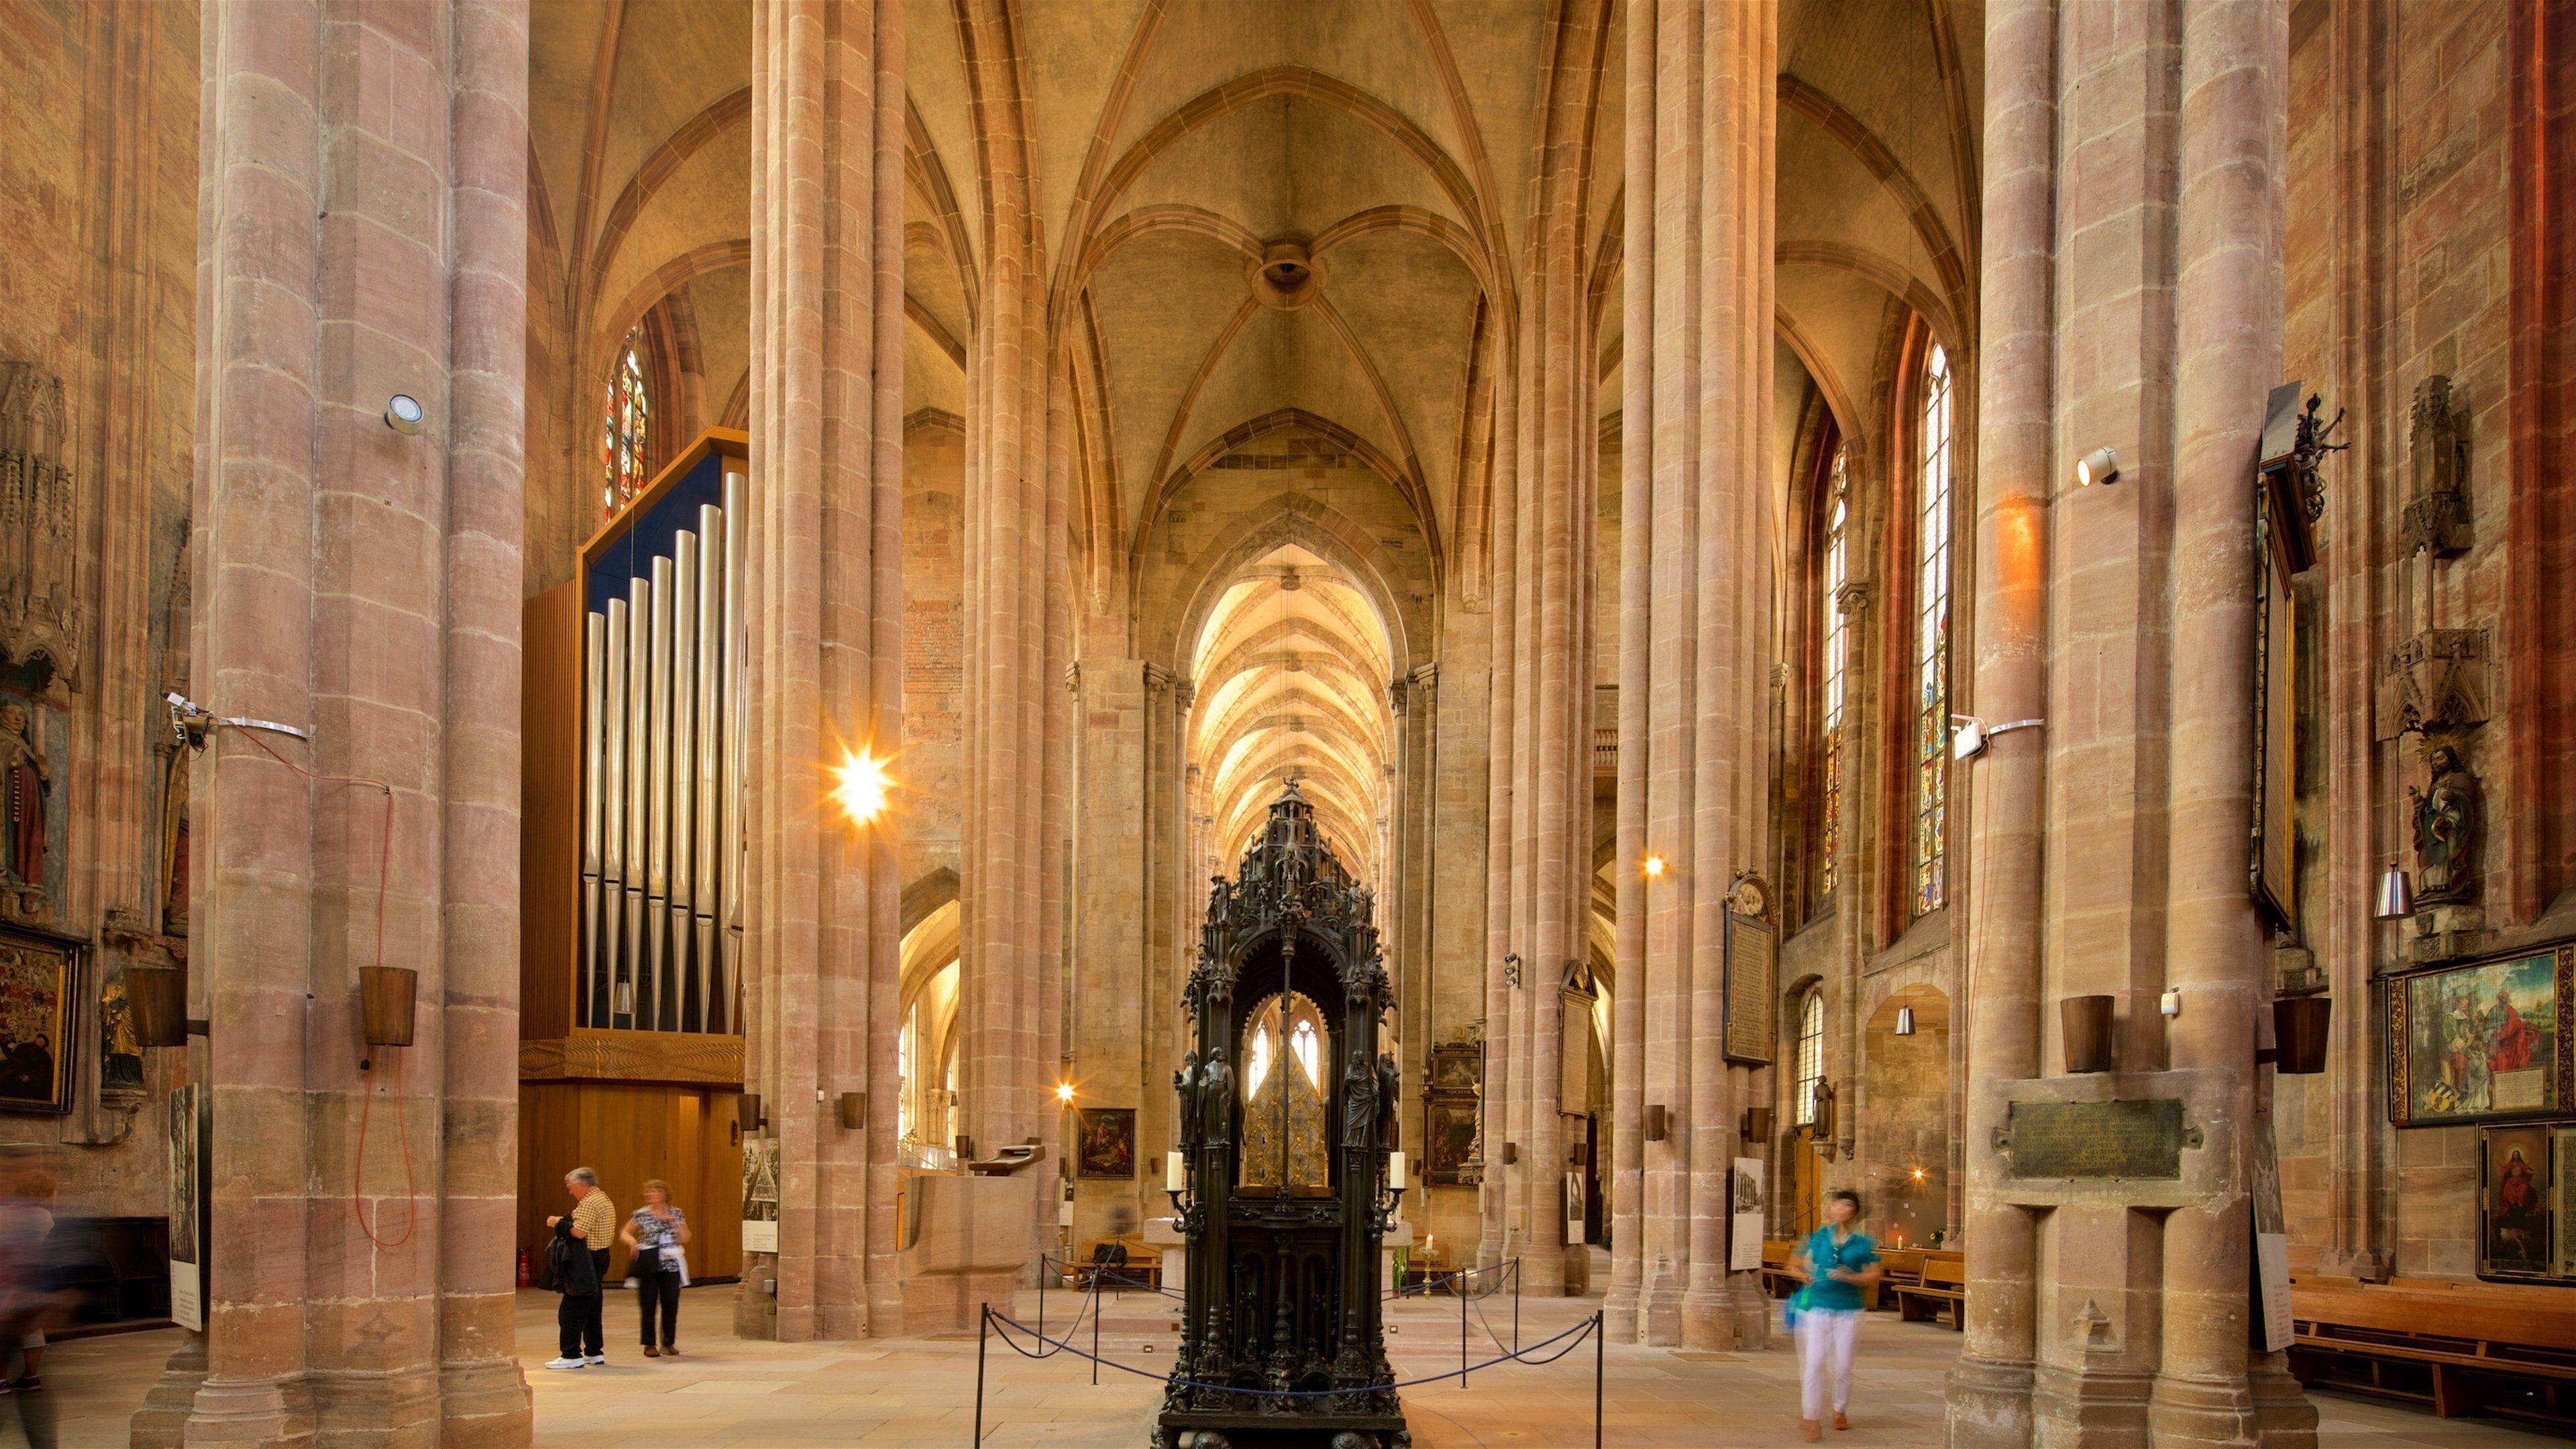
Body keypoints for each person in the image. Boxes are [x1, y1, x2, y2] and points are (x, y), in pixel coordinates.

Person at [1788, 1189, 1881, 1442]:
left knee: (1843, 1364)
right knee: (1815, 1362)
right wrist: (1804, 1276)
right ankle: (1812, 1418)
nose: (1841, 1209)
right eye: (1837, 1204)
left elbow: (1874, 1274)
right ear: (1830, 1209)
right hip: (1818, 1306)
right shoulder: (1817, 1238)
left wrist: (1851, 1277)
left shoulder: (1863, 1243)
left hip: (1849, 1309)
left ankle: (1839, 1409)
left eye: (1847, 1205)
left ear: (1854, 1212)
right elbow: (1793, 1265)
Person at [543, 1168, 616, 1369]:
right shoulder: (601, 1198)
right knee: (592, 1307)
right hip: (600, 1257)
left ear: (582, 1184)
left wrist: (559, 1223)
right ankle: (594, 1352)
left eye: (570, 1187)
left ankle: (571, 1355)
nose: (569, 1191)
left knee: (572, 1308)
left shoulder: (590, 1202)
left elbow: (579, 1232)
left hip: (585, 1260)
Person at [617, 1179, 690, 1358]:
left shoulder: (676, 1213)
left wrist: (673, 1222)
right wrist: (632, 1242)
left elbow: (686, 1237)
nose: (652, 1195)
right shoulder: (641, 1214)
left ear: (665, 1194)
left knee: (670, 1304)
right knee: (648, 1304)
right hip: (649, 1262)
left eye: (656, 1192)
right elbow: (624, 1233)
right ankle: (649, 1344)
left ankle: (668, 1342)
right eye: (649, 1192)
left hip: (670, 1264)